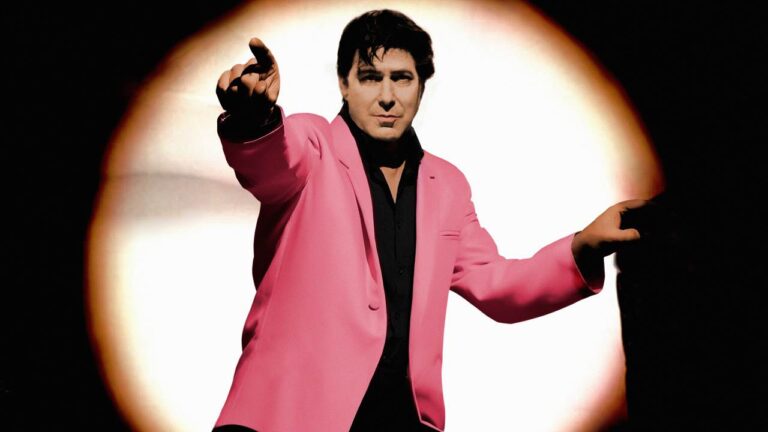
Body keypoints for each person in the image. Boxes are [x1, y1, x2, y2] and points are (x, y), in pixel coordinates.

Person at [212, 9, 644, 432]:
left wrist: (584, 246)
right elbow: (273, 163)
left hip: (400, 418)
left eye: (402, 78)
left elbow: (497, 284)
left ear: (421, 87)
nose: (387, 96)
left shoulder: (446, 185)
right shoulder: (314, 144)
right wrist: (255, 119)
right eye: (370, 78)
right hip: (290, 413)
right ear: (344, 83)